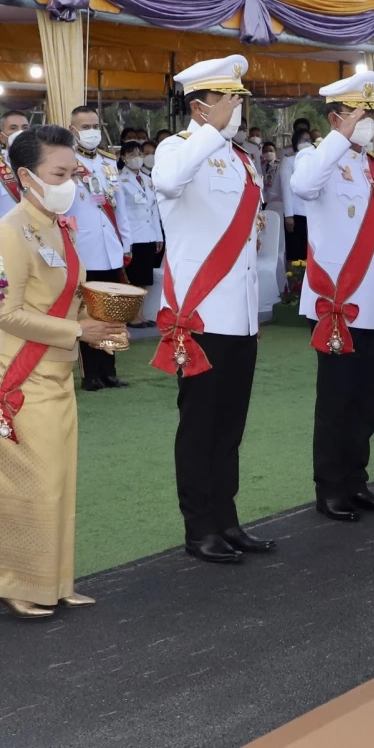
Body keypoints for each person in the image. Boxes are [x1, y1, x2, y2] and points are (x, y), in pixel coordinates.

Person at [0, 125, 127, 618]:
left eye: (73, 173)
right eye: (60, 173)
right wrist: (79, 331)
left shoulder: (61, 225)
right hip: (18, 375)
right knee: (21, 483)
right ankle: (11, 581)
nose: (70, 182)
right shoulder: (5, 232)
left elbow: (67, 292)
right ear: (25, 176)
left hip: (55, 373)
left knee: (56, 481)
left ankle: (54, 580)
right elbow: (4, 313)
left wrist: (101, 320)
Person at [152, 55, 274, 565]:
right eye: (232, 99)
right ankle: (199, 526)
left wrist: (221, 133)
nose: (240, 108)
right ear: (203, 106)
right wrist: (207, 128)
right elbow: (168, 182)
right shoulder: (176, 148)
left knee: (230, 426)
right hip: (201, 314)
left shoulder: (242, 159)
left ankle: (226, 519)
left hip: (239, 313)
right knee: (200, 425)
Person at [292, 70, 374, 522]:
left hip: (372, 301)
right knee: (334, 401)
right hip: (338, 300)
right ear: (336, 118)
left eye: (372, 113)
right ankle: (330, 486)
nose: (368, 121)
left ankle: (357, 480)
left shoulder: (373, 168)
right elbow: (303, 187)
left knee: (362, 401)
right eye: (359, 113)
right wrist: (339, 137)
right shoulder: (315, 159)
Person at [66, 105, 132, 391]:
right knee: (88, 313)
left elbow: (121, 206)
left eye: (95, 126)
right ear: (73, 131)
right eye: (85, 127)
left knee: (111, 312)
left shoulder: (107, 161)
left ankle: (109, 369)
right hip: (85, 250)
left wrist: (125, 242)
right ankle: (90, 373)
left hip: (110, 248)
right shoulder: (67, 164)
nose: (92, 132)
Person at [118, 138, 162, 326]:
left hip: (148, 235)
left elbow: (153, 210)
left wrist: (158, 235)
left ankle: (141, 315)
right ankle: (132, 317)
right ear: (124, 158)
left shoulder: (147, 180)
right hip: (132, 237)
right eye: (132, 154)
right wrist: (124, 240)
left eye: (139, 154)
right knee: (133, 279)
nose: (137, 158)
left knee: (144, 279)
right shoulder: (120, 180)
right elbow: (121, 213)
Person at [280, 126, 312, 263]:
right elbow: (286, 188)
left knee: (309, 251)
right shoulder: (288, 160)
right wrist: (288, 215)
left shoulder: (314, 159)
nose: (306, 142)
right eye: (302, 140)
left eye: (308, 140)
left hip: (311, 213)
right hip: (296, 212)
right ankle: (295, 281)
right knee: (296, 251)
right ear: (295, 142)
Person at [260, 141, 283, 208]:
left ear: (275, 152)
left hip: (277, 200)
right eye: (266, 151)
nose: (268, 153)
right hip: (264, 199)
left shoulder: (280, 165)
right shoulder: (262, 166)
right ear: (263, 153)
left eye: (271, 150)